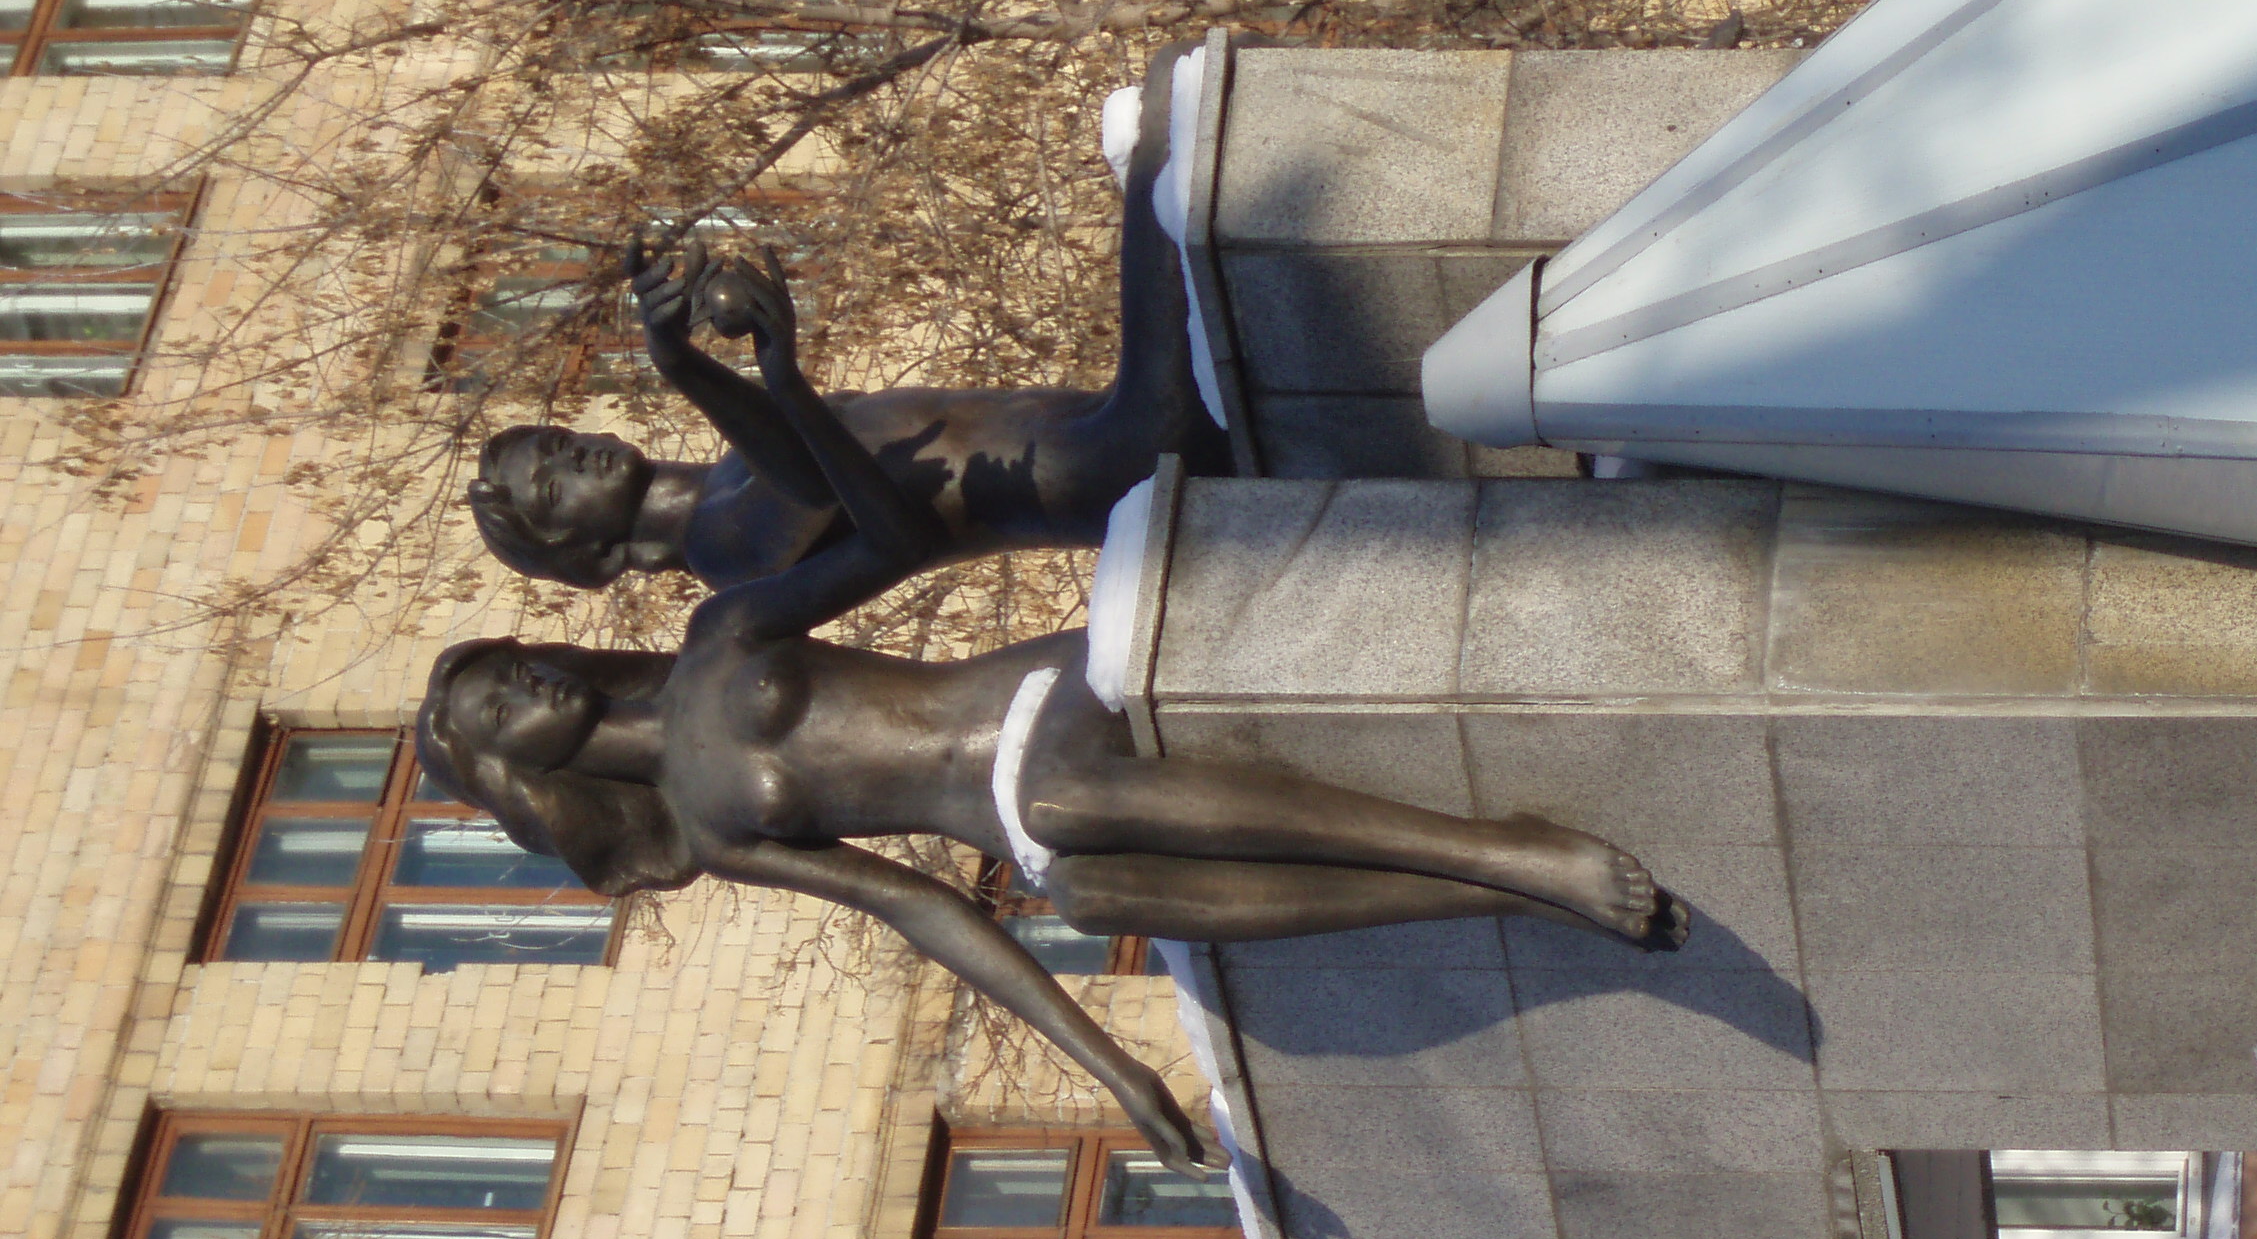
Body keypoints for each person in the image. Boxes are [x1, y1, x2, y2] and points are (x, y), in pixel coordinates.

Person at [418, 249, 1681, 1168]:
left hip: (1034, 699)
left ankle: (1504, 851)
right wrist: (1112, 1067)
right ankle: (1506, 897)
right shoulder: (711, 824)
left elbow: (887, 537)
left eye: (510, 664)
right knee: (1090, 895)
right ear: (523, 777)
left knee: (1068, 805)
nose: (529, 683)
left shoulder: (717, 638)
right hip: (1018, 821)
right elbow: (919, 907)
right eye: (500, 709)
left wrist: (780, 374)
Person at [467, 46, 1227, 592]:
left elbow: (787, 452)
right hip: (1124, 465)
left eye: (558, 443)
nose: (575, 457)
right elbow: (809, 489)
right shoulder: (720, 552)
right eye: (553, 486)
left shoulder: (736, 461)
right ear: (592, 553)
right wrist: (692, 369)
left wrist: (707, 362)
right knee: (1171, 109)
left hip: (1103, 423)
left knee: (1179, 112)